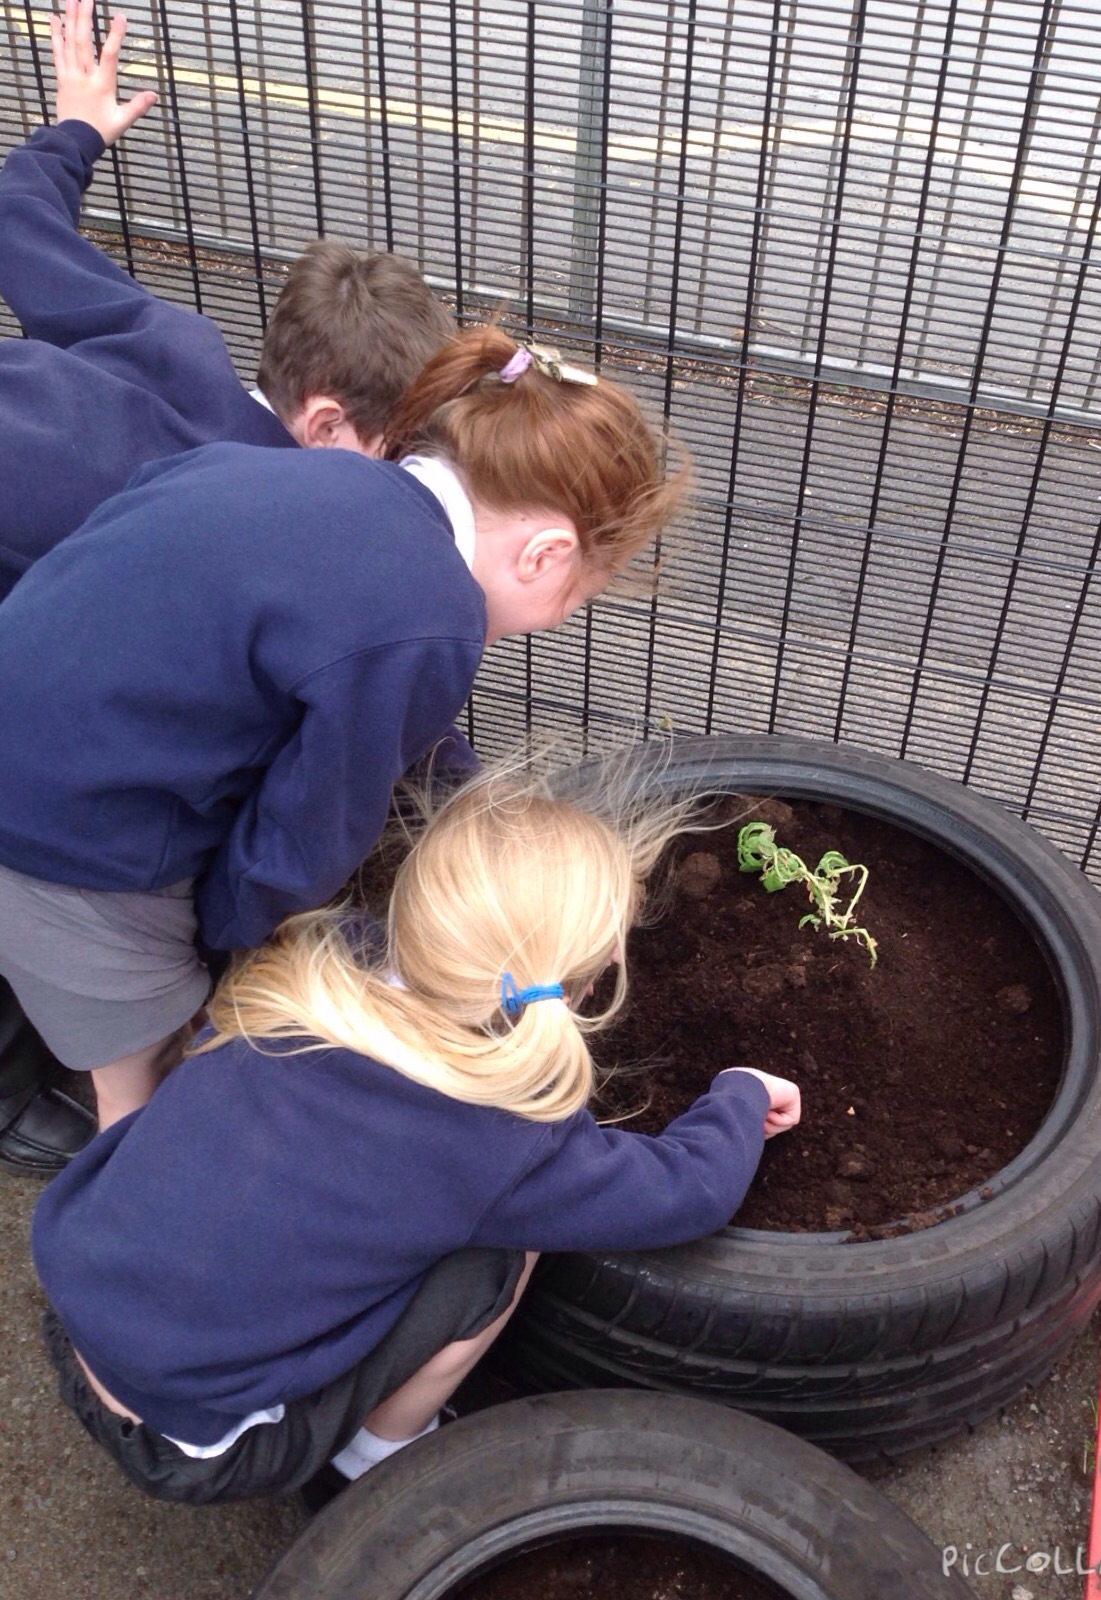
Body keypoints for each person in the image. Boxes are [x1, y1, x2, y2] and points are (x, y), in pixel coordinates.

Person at [29, 763, 801, 1505]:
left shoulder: (305, 986)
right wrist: (739, 1095)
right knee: (497, 1257)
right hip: (199, 1445)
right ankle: (382, 1455)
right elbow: (688, 1193)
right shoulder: (504, 1137)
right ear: (592, 980)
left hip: (77, 1312)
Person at [0, 321, 690, 1140]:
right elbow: (299, 846)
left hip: (43, 742)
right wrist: (232, 955)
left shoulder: (308, 481)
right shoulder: (430, 620)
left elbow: (371, 704)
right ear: (545, 554)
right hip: (64, 848)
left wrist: (489, 809)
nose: (555, 621)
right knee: (153, 1082)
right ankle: (124, 1230)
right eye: (577, 599)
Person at [0, 0, 455, 1170]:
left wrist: (75, 134)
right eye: (396, 458)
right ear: (321, 421)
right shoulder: (210, 518)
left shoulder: (175, 344)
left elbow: (18, 221)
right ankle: (13, 1084)